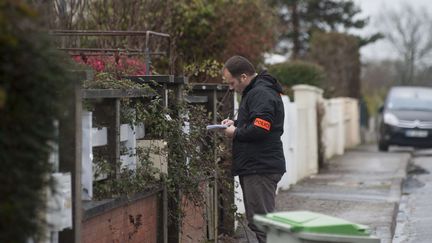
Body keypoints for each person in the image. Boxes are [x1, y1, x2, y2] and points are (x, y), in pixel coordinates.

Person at [221, 55, 286, 243]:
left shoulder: (260, 93)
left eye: (232, 83)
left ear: (243, 76)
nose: (231, 88)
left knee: (263, 223)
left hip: (261, 166)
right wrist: (237, 123)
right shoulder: (256, 91)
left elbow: (261, 127)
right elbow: (258, 121)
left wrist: (235, 133)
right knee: (260, 222)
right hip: (258, 165)